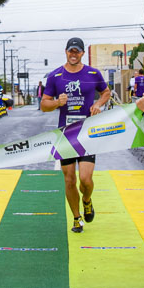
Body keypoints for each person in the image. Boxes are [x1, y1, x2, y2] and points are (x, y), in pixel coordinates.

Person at [41, 37, 111, 234]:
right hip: (66, 135)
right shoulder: (55, 76)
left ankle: (87, 200)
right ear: (66, 52)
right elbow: (44, 105)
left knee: (86, 180)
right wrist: (56, 103)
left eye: (77, 51)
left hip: (88, 133)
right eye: (70, 51)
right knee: (69, 179)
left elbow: (106, 92)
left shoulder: (92, 73)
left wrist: (98, 104)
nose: (73, 54)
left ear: (82, 53)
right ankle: (77, 218)